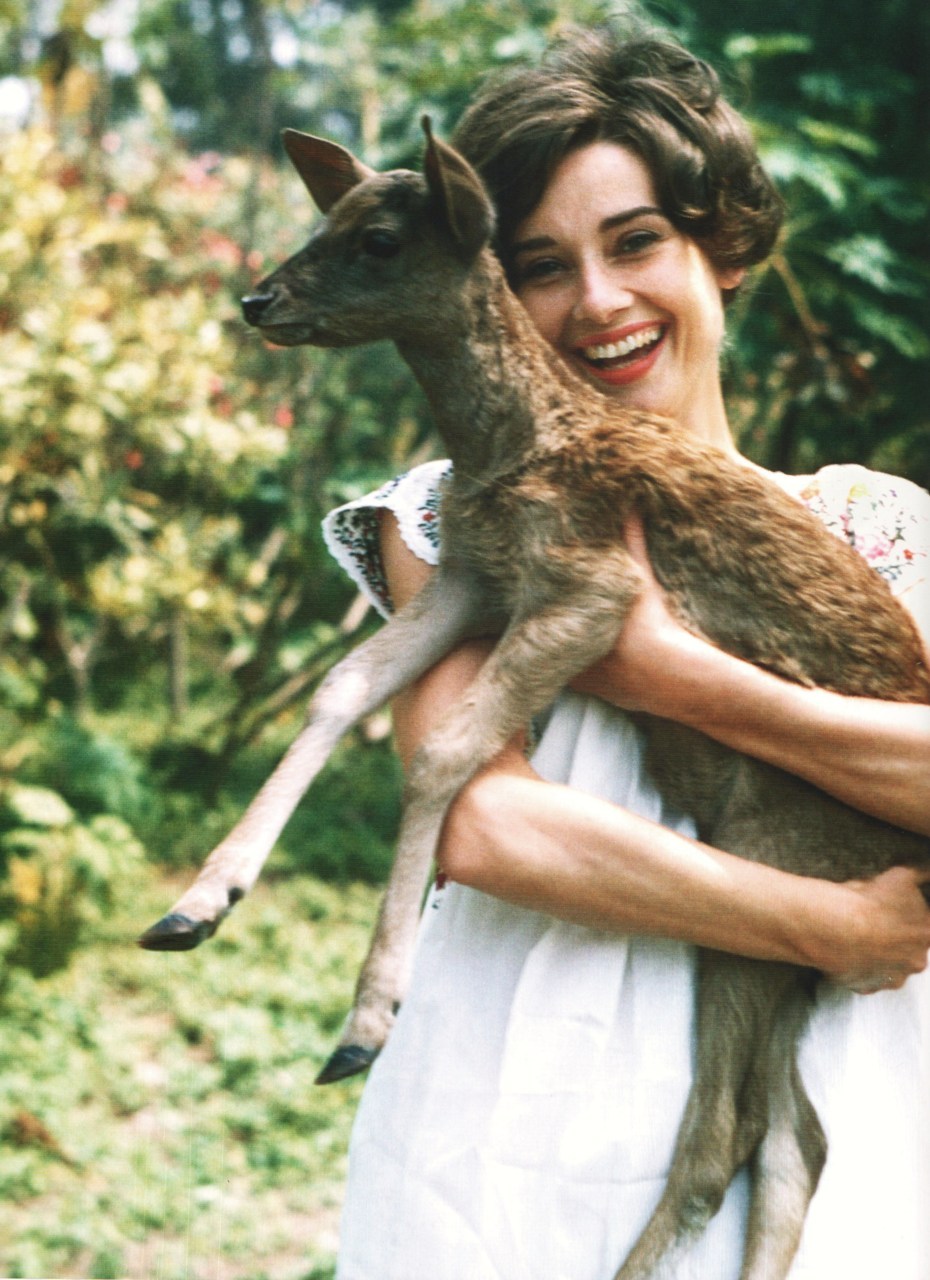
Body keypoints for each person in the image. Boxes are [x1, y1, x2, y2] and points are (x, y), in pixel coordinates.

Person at [322, 23, 930, 1280]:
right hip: (513, 1111)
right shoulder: (456, 513)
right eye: (541, 264)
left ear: (723, 251)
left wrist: (670, 674)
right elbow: (485, 823)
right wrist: (830, 921)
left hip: (841, 1108)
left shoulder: (879, 525)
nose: (597, 300)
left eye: (637, 239)